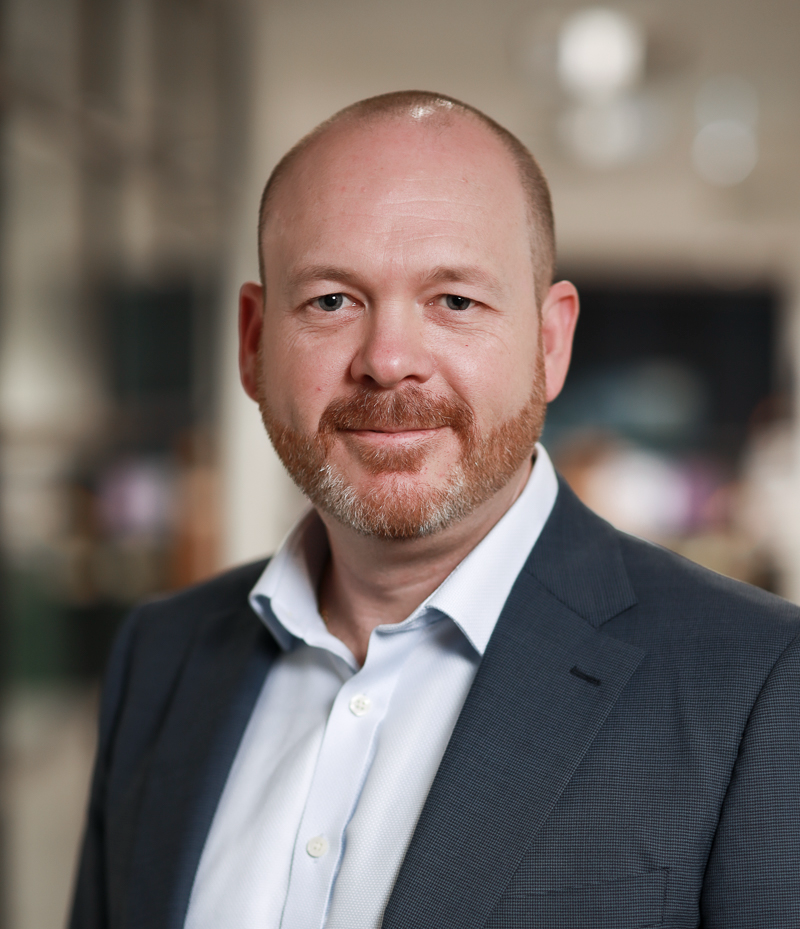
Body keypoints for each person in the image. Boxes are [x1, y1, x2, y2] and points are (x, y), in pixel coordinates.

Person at [70, 91, 800, 929]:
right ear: (253, 341)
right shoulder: (158, 656)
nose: (388, 361)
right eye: (332, 301)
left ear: (550, 343)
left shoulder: (758, 685)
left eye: (454, 300)